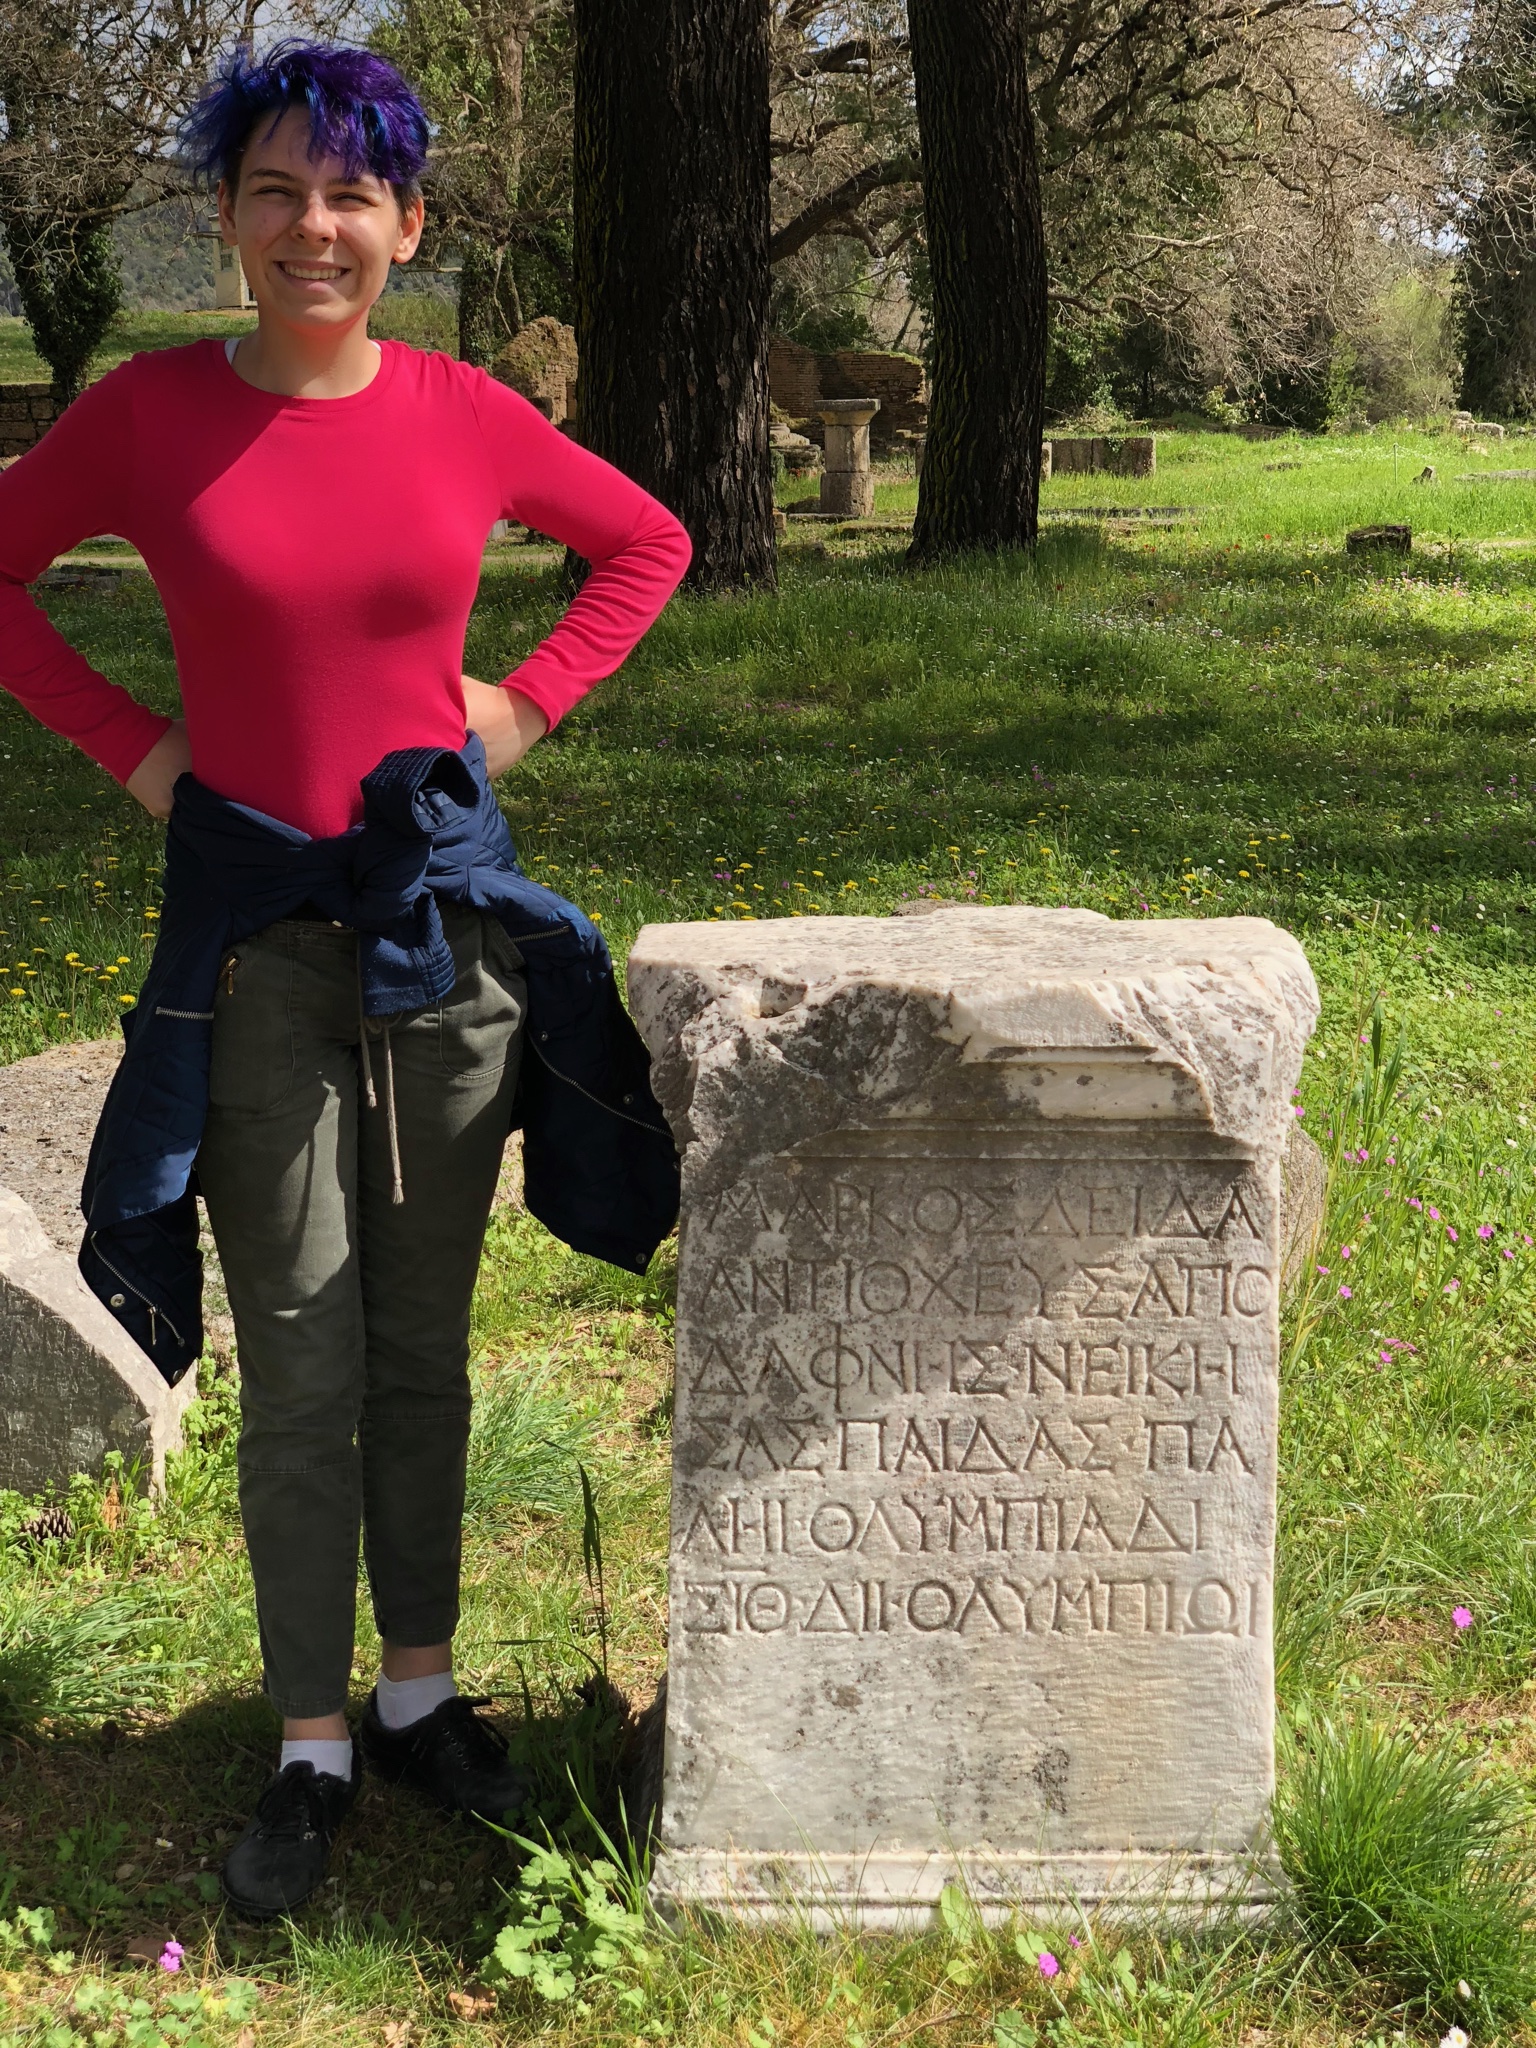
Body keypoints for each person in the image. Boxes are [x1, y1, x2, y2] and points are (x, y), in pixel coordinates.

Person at [0, 42, 690, 1918]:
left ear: (407, 225)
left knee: (422, 1351)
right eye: (278, 191)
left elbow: (646, 544)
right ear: (225, 217)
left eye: (352, 196)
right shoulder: (148, 417)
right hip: (252, 958)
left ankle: (419, 1695)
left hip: (443, 951)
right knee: (300, 1358)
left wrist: (522, 703)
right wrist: (142, 756)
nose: (316, 227)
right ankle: (308, 1739)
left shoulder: (464, 415)